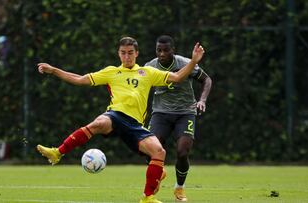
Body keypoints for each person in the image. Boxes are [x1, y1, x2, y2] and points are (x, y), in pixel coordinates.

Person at [36, 36, 205, 203]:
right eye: (123, 53)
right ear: (118, 54)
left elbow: (177, 78)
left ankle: (148, 197)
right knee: (99, 123)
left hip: (135, 126)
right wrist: (54, 70)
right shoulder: (112, 72)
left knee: (159, 152)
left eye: (130, 53)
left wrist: (193, 61)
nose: (127, 57)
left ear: (137, 53)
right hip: (115, 116)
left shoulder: (148, 72)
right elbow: (80, 79)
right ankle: (57, 152)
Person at [145, 35, 212, 202]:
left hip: (185, 113)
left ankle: (179, 188)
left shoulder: (184, 63)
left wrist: (202, 100)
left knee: (182, 152)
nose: (161, 54)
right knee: (149, 149)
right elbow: (141, 89)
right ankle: (160, 172)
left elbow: (206, 79)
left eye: (165, 50)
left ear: (172, 50)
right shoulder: (150, 67)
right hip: (160, 113)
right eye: (158, 50)